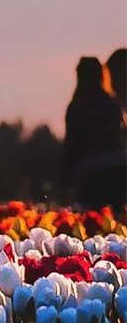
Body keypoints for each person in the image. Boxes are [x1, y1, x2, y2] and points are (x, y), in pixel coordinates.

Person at [62, 55, 125, 210]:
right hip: (118, 169)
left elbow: (71, 147)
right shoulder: (110, 104)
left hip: (90, 174)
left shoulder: (76, 107)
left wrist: (65, 183)